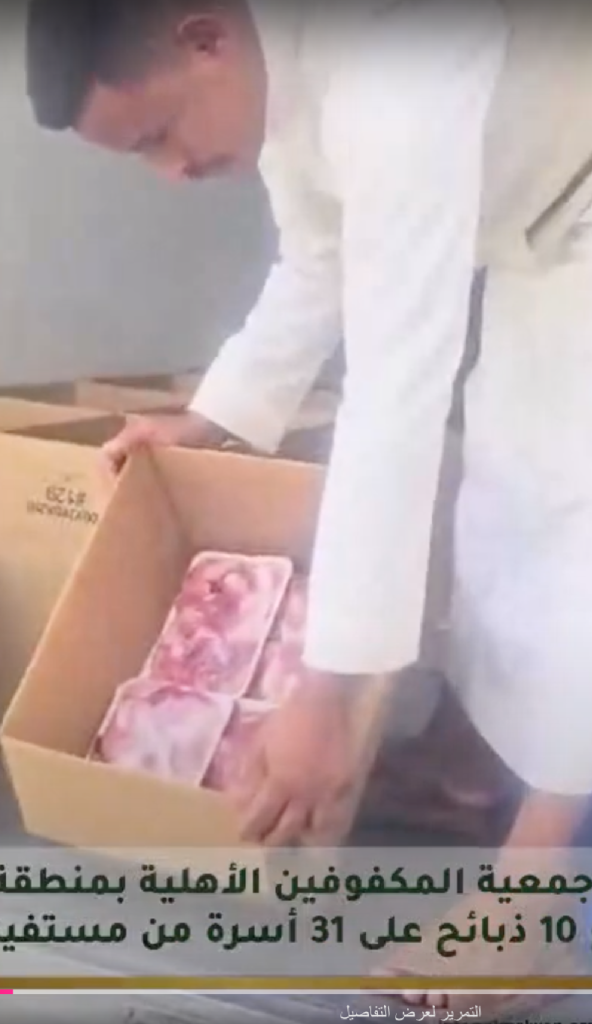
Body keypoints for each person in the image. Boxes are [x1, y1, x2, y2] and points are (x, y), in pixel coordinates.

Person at [25, 0, 592, 1012]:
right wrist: (211, 419)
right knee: (501, 505)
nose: (173, 172)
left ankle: (529, 912)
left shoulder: (391, 64)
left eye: (158, 134)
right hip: (541, 235)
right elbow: (318, 259)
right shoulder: (284, 61)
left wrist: (330, 692)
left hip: (574, 204)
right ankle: (477, 763)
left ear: (203, 35)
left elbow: (393, 383)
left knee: (569, 525)